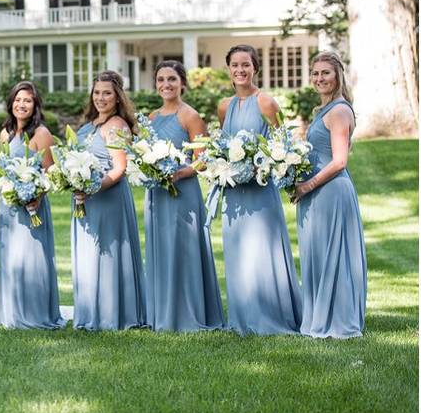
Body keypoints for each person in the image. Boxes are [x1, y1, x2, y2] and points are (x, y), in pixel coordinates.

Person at [217, 44, 302, 335]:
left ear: (255, 68)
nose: (240, 70)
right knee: (238, 252)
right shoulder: (225, 106)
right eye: (235, 65)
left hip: (260, 190)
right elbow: (223, 145)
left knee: (262, 252)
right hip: (233, 193)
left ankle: (272, 318)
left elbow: (282, 147)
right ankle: (242, 319)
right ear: (228, 69)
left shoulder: (266, 102)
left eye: (246, 65)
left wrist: (258, 167)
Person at [144, 61, 225, 332]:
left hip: (182, 192)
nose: (165, 84)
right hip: (157, 193)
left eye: (172, 79)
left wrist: (178, 174)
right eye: (160, 80)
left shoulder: (189, 115)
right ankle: (163, 313)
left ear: (182, 84)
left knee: (184, 251)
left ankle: (189, 313)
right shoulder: (152, 118)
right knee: (162, 250)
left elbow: (202, 160)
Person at [294, 52, 367, 338]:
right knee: (319, 255)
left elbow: (339, 161)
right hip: (315, 192)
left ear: (337, 76)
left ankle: (338, 320)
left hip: (331, 191)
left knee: (334, 255)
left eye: (326, 73)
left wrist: (308, 186)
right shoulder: (322, 110)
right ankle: (319, 315)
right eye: (315, 73)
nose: (320, 78)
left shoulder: (339, 110)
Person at [71, 71, 146, 331]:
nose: (100, 98)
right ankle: (91, 311)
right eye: (97, 92)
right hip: (85, 198)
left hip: (107, 198)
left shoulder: (116, 126)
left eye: (107, 93)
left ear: (117, 97)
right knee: (89, 254)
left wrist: (93, 188)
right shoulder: (86, 127)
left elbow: (119, 168)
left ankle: (112, 314)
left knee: (108, 252)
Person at [0, 81, 64, 330]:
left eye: (27, 100)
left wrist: (36, 194)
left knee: (32, 258)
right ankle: (12, 312)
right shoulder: (5, 133)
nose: (21, 104)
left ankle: (36, 314)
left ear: (35, 105)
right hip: (9, 206)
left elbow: (50, 173)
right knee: (12, 258)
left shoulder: (42, 134)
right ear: (11, 103)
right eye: (17, 99)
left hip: (33, 205)